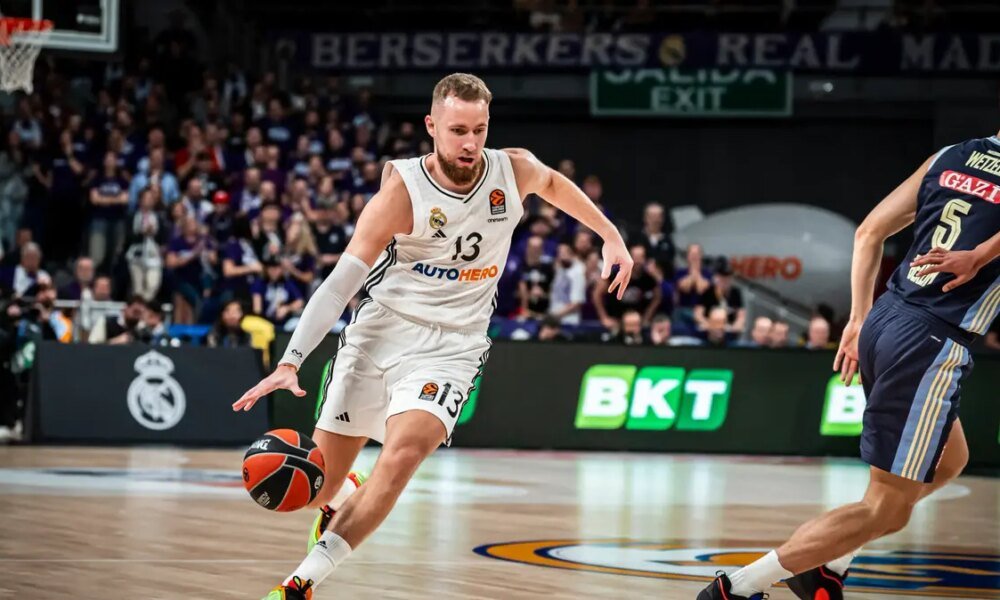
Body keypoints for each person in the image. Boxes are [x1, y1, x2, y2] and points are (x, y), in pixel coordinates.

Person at [232, 73, 633, 600]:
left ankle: (300, 584)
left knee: (402, 456)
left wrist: (611, 236)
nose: (470, 143)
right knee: (315, 492)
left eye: (479, 130)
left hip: (453, 345)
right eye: (458, 130)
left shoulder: (512, 170)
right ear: (432, 126)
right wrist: (290, 361)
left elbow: (556, 185)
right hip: (380, 334)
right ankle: (343, 491)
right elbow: (338, 286)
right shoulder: (402, 192)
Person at [698, 132, 1000, 600]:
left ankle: (827, 564)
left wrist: (857, 320)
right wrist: (979, 256)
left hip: (884, 318)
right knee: (888, 507)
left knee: (949, 459)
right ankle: (736, 588)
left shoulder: (949, 155)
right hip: (929, 340)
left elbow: (868, 232)